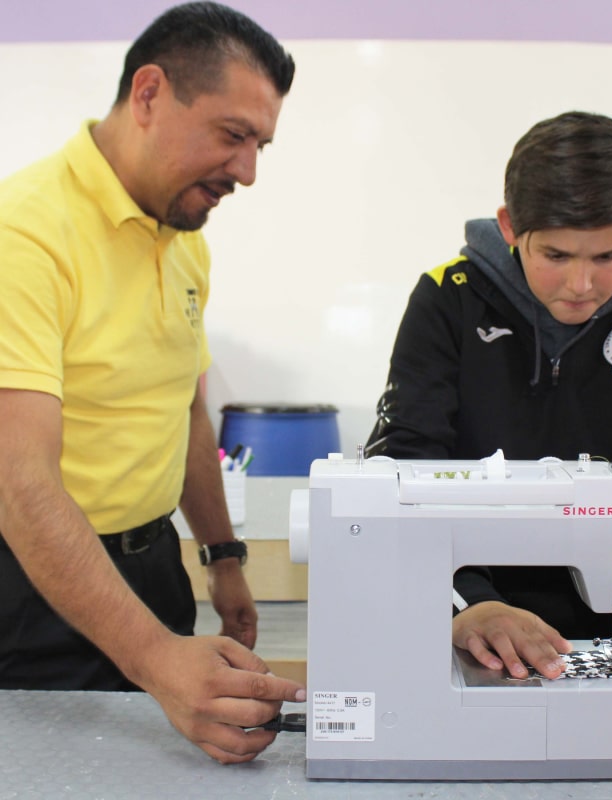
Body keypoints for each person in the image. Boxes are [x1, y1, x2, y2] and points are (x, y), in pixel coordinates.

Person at [366, 110, 612, 757]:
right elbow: (406, 463)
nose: (582, 284)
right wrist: (464, 606)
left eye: (608, 256)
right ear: (512, 227)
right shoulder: (446, 301)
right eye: (556, 256)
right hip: (473, 617)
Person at [0, 2, 303, 764]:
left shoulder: (184, 238)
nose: (248, 172)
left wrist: (222, 556)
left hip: (154, 570)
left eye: (260, 145)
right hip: (30, 592)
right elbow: (19, 483)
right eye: (233, 136)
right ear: (148, 94)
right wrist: (155, 657)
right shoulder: (24, 235)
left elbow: (186, 410)